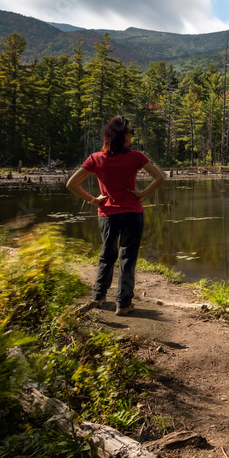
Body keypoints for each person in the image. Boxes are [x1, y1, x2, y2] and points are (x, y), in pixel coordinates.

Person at [66, 116, 164, 316]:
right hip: (132, 213)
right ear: (121, 136)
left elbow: (71, 184)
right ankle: (123, 303)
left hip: (107, 214)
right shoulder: (136, 157)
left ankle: (98, 296)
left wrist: (94, 200)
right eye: (130, 132)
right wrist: (141, 194)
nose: (132, 135)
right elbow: (160, 177)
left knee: (107, 255)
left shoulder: (96, 158)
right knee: (128, 257)